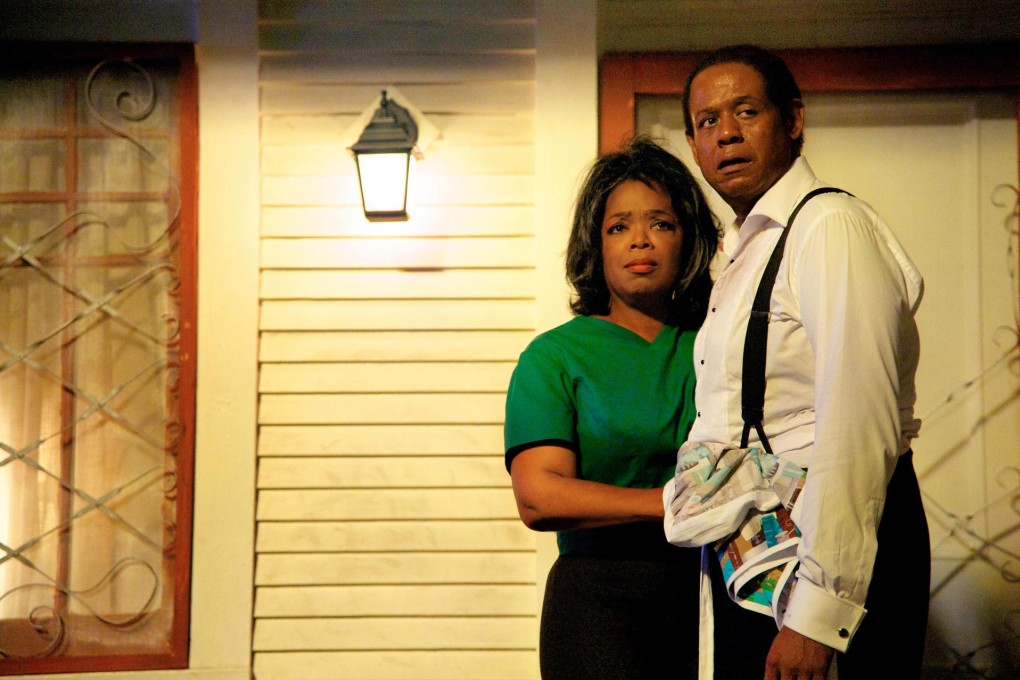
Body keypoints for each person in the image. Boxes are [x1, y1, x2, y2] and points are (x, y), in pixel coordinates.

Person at [678, 44, 930, 679]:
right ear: (692, 142)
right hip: (764, 551)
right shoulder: (745, 251)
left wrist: (819, 612)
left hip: (822, 560)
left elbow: (858, 422)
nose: (726, 133)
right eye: (707, 121)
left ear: (793, 120)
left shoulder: (829, 225)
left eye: (746, 111)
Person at [504, 137, 719, 679]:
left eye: (661, 224)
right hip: (600, 600)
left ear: (689, 237)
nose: (639, 241)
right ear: (594, 245)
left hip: (721, 591)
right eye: (619, 226)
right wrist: (673, 504)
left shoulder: (721, 343)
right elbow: (538, 496)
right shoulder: (554, 357)